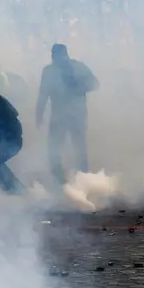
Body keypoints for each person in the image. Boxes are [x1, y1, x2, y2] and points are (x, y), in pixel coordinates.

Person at [35, 44, 99, 186]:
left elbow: (94, 84)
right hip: (67, 116)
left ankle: (76, 181)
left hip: (72, 116)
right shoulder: (54, 70)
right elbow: (43, 95)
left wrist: (78, 86)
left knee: (70, 148)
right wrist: (38, 114)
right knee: (64, 149)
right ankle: (66, 181)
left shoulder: (63, 69)